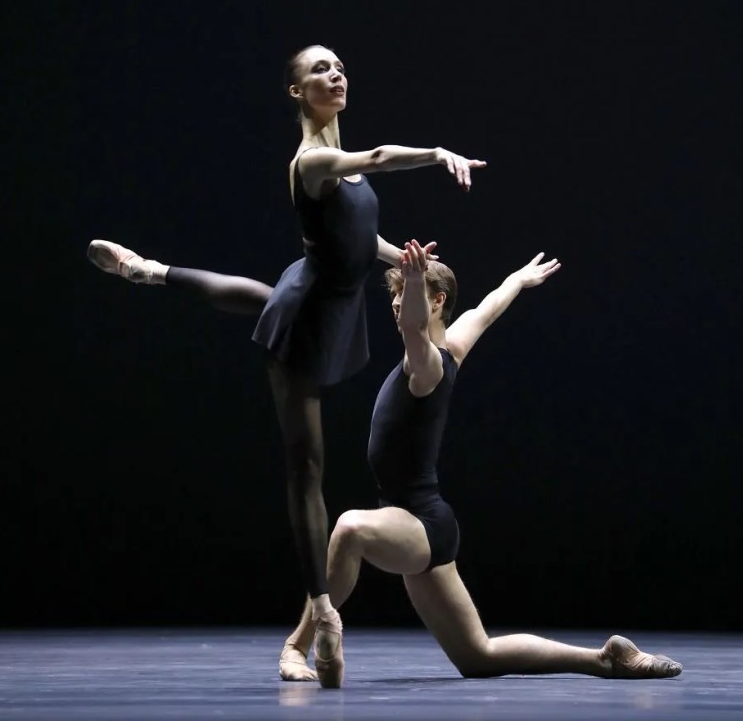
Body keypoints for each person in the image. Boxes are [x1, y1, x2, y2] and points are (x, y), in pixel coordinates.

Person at [87, 43, 487, 686]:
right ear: (297, 92)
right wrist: (437, 153)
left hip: (323, 301)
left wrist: (401, 259)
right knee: (307, 468)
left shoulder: (340, 170)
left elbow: (360, 234)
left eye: (340, 66)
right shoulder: (314, 161)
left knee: (264, 297)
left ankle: (150, 271)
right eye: (319, 69)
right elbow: (379, 158)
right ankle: (323, 615)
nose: (336, 74)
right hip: (306, 321)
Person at [278, 240, 683, 687]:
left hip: (416, 522)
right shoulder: (454, 345)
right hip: (424, 522)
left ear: (437, 301)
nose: (395, 303)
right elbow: (486, 309)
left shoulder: (426, 367)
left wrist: (414, 279)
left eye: (405, 294)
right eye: (393, 294)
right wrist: (518, 280)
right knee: (478, 655)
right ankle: (604, 659)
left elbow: (414, 327)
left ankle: (298, 645)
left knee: (350, 529)